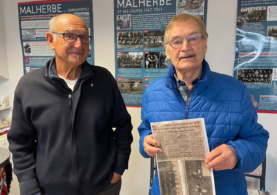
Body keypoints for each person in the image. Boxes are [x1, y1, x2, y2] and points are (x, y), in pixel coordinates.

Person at [138, 13, 269, 195]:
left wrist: (236, 153)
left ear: (205, 44)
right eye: (176, 41)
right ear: (167, 51)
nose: (185, 47)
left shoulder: (236, 91)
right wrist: (144, 142)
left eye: (193, 38)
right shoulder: (152, 92)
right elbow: (144, 130)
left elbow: (257, 141)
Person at [8, 14, 133, 195]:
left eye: (84, 37)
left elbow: (123, 126)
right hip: (49, 190)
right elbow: (20, 142)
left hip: (103, 187)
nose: (79, 44)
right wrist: (28, 185)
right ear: (51, 40)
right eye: (69, 36)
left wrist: (119, 168)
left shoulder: (104, 80)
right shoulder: (29, 86)